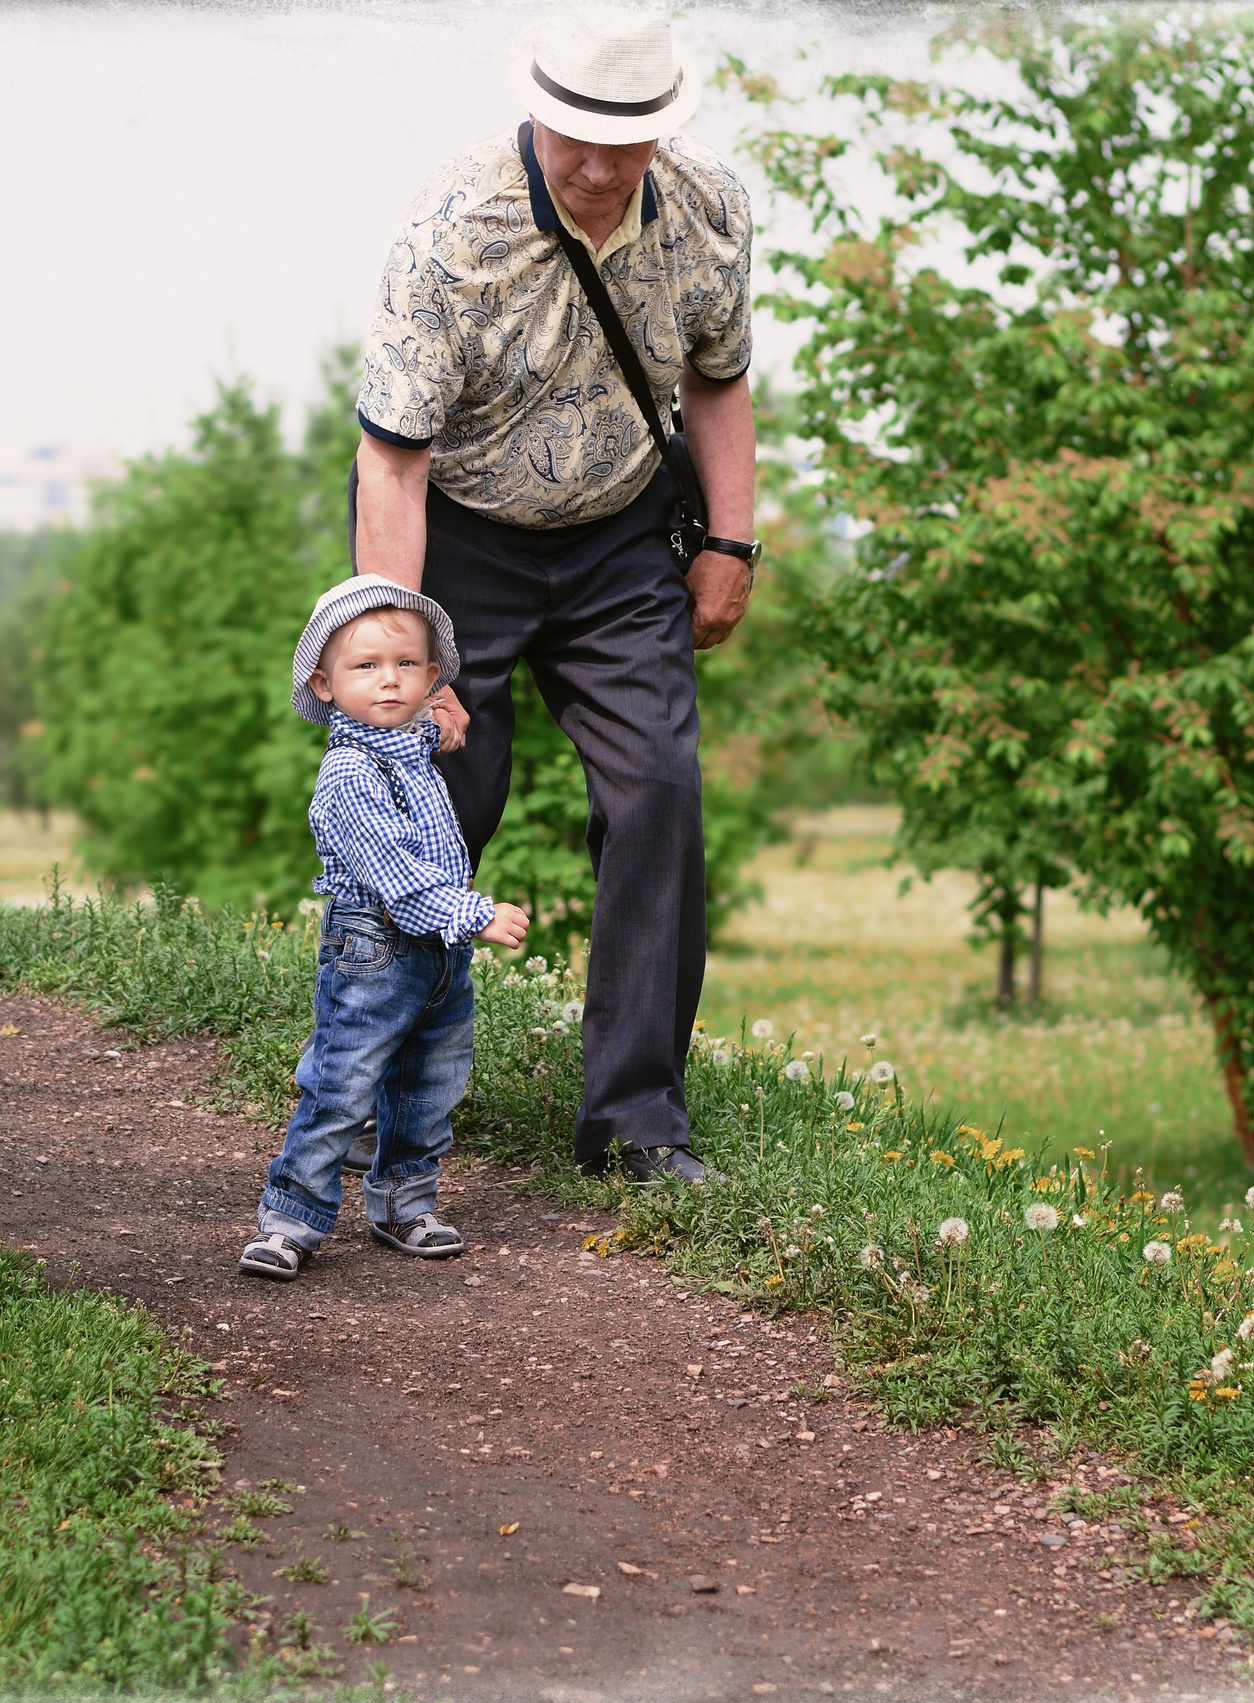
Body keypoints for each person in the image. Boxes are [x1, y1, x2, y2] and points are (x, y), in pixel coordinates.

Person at [350, 5, 760, 1185]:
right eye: (571, 133)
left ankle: (636, 1123)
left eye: (620, 141)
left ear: (662, 131)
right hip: (457, 539)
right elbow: (393, 460)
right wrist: (403, 653)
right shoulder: (451, 235)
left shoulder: (711, 211)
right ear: (537, 108)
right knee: (435, 800)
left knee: (659, 795)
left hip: (621, 535)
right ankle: (381, 1082)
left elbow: (720, 382)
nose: (590, 163)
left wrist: (730, 542)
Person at [241, 577, 531, 1283]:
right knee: (343, 1082)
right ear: (327, 683)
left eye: (406, 665)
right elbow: (398, 884)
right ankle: (291, 1217)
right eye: (365, 667)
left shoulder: (406, 742)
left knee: (429, 1083)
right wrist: (476, 913)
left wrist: (440, 724)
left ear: (432, 677)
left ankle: (406, 1202)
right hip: (376, 946)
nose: (388, 681)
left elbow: (421, 736)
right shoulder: (347, 774)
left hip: (437, 960)